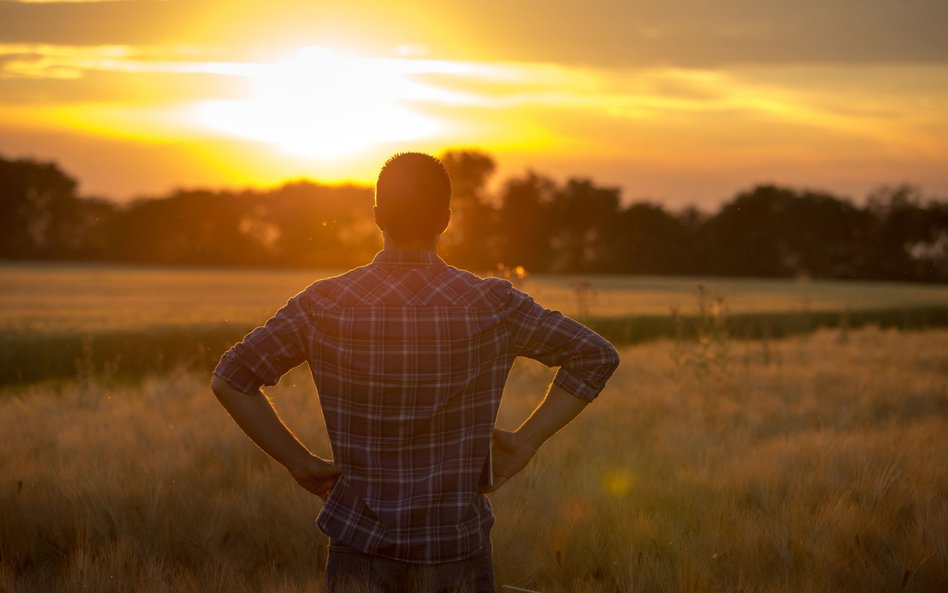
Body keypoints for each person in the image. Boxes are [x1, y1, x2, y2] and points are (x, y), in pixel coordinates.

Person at [211, 152, 620, 592]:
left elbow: (231, 379)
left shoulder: (323, 304)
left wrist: (300, 464)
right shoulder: (494, 305)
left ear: (376, 216)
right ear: (446, 219)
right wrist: (525, 441)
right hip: (457, 548)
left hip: (359, 545)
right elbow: (595, 356)